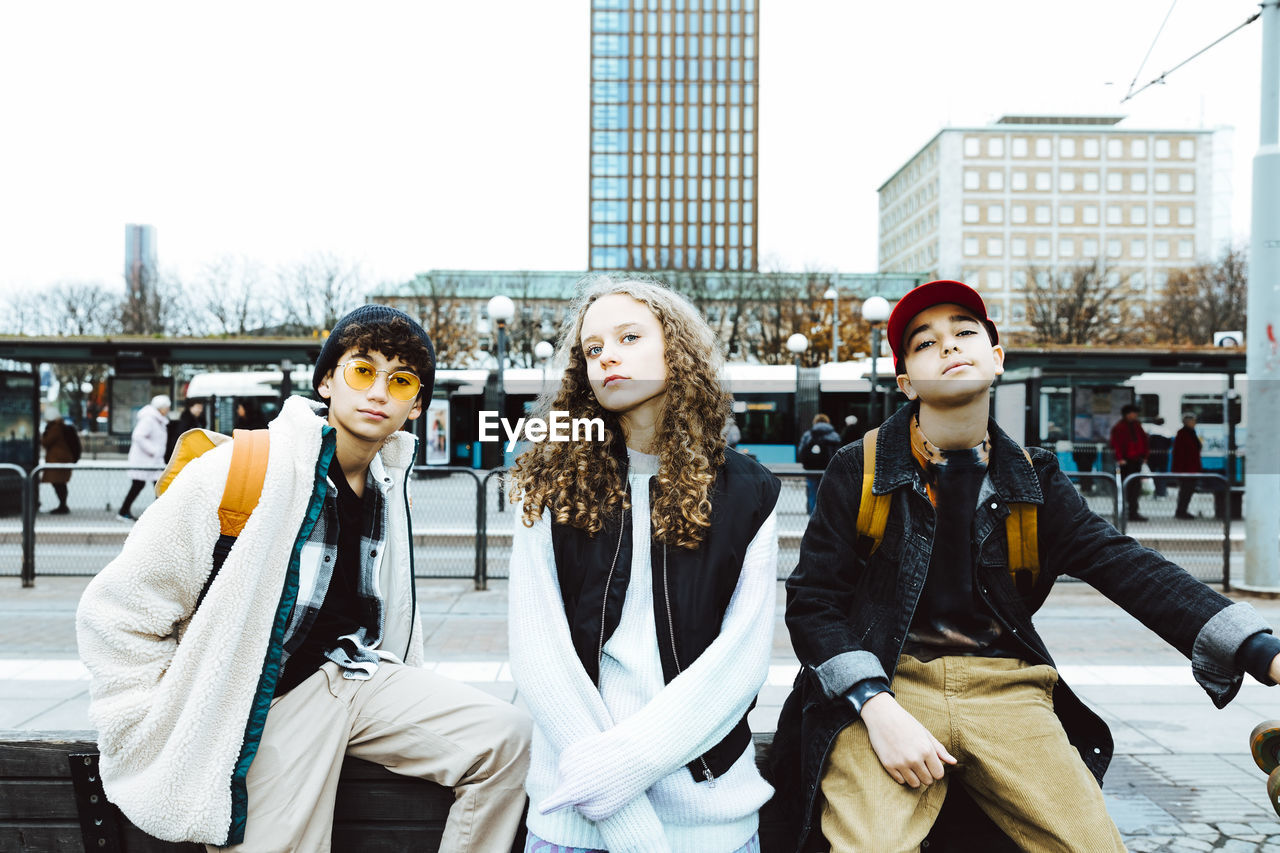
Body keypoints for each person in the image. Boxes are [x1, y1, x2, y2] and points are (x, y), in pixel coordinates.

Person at [772, 279, 1280, 852]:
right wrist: (873, 703)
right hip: (890, 680)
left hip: (1008, 690)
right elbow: (813, 601)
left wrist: (1261, 651)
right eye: (925, 342)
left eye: (965, 332)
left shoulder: (1035, 478)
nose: (949, 346)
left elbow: (1124, 564)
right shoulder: (858, 468)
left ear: (997, 358)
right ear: (906, 381)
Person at [77, 305, 531, 851]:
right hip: (269, 702)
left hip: (359, 676)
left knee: (510, 740)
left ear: (415, 407)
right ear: (326, 381)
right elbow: (116, 609)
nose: (379, 392)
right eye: (362, 370)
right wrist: (148, 722)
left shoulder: (390, 484)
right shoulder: (243, 468)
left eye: (402, 380)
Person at [507, 276, 780, 853]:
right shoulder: (548, 483)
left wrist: (626, 771)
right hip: (574, 828)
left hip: (712, 824)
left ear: (675, 351)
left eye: (629, 337)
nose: (607, 357)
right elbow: (539, 655)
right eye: (592, 349)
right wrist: (629, 825)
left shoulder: (750, 491)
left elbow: (741, 661)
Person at [117, 395, 170, 521]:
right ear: (161, 408)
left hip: (151, 461)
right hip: (146, 460)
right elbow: (138, 436)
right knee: (145, 485)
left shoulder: (156, 420)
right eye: (167, 407)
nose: (168, 409)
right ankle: (124, 511)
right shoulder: (149, 420)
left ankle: (125, 511)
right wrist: (154, 451)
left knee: (155, 485)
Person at [1110, 403, 1149, 522]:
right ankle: (1123, 512)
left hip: (1136, 460)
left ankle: (1133, 512)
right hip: (1126, 462)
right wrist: (1120, 458)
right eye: (1133, 413)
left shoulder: (1137, 425)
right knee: (1127, 488)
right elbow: (1115, 444)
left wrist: (1145, 455)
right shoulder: (1119, 427)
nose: (1135, 415)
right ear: (1127, 414)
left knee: (1135, 488)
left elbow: (1144, 440)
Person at [798, 414, 842, 514]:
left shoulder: (808, 435)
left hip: (811, 469)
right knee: (827, 493)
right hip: (828, 469)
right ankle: (824, 516)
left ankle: (812, 516)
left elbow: (801, 451)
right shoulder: (834, 435)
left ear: (815, 422)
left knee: (812, 492)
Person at [40, 408, 79, 514]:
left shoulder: (55, 428)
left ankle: (62, 505)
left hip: (57, 460)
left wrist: (42, 435)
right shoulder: (61, 426)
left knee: (58, 483)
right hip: (62, 459)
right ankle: (63, 504)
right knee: (60, 483)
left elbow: (46, 442)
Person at [1173, 412, 1204, 520]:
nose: (1194, 423)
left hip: (1191, 468)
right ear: (1187, 422)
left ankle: (1182, 510)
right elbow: (1181, 453)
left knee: (1188, 491)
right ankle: (1181, 511)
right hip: (1186, 469)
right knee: (1185, 491)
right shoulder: (1183, 434)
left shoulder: (1191, 433)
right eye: (1192, 421)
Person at [1147, 416, 1172, 499]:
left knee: (1154, 475)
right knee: (1162, 475)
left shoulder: (1151, 431)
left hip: (1152, 457)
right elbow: (1169, 444)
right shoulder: (1166, 431)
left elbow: (1148, 443)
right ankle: (1162, 491)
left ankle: (1158, 491)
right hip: (1163, 457)